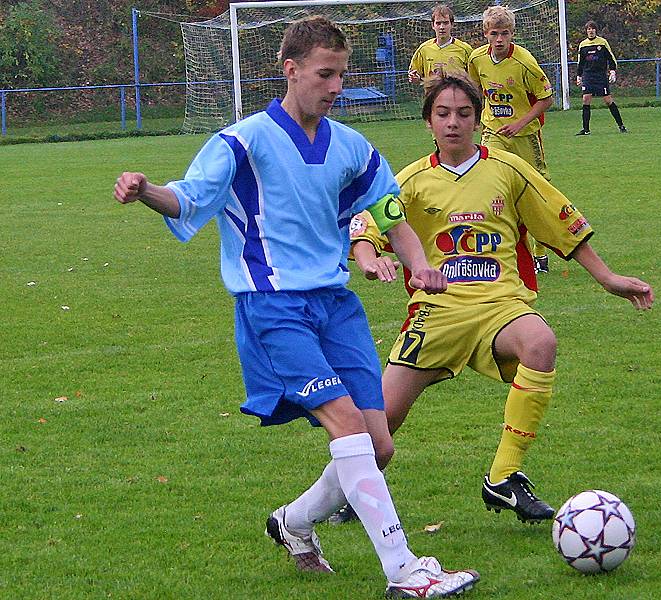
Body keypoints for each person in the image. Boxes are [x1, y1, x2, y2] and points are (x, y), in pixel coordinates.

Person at [113, 16, 479, 599]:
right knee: (347, 423)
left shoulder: (352, 145)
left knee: (378, 444)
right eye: (325, 75)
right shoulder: (243, 141)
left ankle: (294, 523)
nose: (337, 87)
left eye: (342, 75)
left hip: (336, 304)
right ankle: (406, 571)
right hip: (273, 306)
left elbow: (388, 212)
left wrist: (417, 262)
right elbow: (187, 198)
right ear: (291, 70)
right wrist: (143, 191)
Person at [339, 72, 653, 527]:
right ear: (428, 121)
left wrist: (607, 278)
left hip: (500, 307)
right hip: (437, 314)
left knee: (540, 342)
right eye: (442, 114)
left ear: (478, 117)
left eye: (463, 114)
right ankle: (346, 493)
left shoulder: (507, 170)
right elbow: (369, 226)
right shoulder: (409, 180)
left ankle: (503, 476)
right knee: (380, 428)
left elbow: (557, 220)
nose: (453, 123)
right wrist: (368, 259)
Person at [467, 5, 552, 274]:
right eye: (495, 34)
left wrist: (520, 123)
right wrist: (475, 119)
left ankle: (541, 253)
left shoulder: (525, 62)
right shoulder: (477, 59)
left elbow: (546, 99)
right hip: (493, 132)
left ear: (512, 33)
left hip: (525, 137)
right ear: (485, 34)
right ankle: (503, 250)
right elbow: (475, 91)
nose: (500, 39)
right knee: (492, 185)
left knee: (535, 191)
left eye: (505, 33)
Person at [575, 20, 627, 135]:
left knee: (608, 100)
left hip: (600, 75)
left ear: (596, 30)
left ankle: (621, 125)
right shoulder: (583, 45)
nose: (591, 31)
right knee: (586, 99)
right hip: (588, 75)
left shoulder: (602, 43)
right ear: (586, 31)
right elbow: (581, 62)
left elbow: (611, 58)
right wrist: (579, 75)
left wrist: (612, 71)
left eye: (593, 28)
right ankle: (586, 129)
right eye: (589, 29)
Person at [408, 4, 473, 85]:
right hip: (433, 96)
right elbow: (416, 76)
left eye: (445, 23)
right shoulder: (424, 49)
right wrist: (415, 78)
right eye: (438, 23)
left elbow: (474, 78)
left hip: (457, 96)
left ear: (452, 24)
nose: (442, 27)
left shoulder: (465, 49)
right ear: (433, 25)